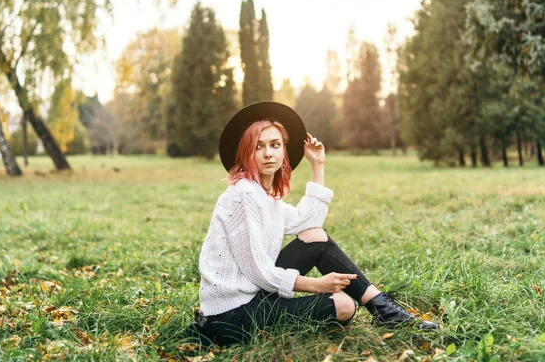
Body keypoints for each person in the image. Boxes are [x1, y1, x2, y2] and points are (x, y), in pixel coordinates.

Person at [187, 102, 438, 346]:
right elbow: (260, 272)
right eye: (258, 147)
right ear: (246, 152)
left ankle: (382, 308)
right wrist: (316, 285)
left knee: (316, 236)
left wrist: (318, 165)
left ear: (284, 150)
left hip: (252, 296)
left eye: (275, 145)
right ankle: (382, 310)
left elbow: (307, 223)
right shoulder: (244, 194)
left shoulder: (264, 195)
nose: (268, 153)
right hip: (229, 317)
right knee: (344, 306)